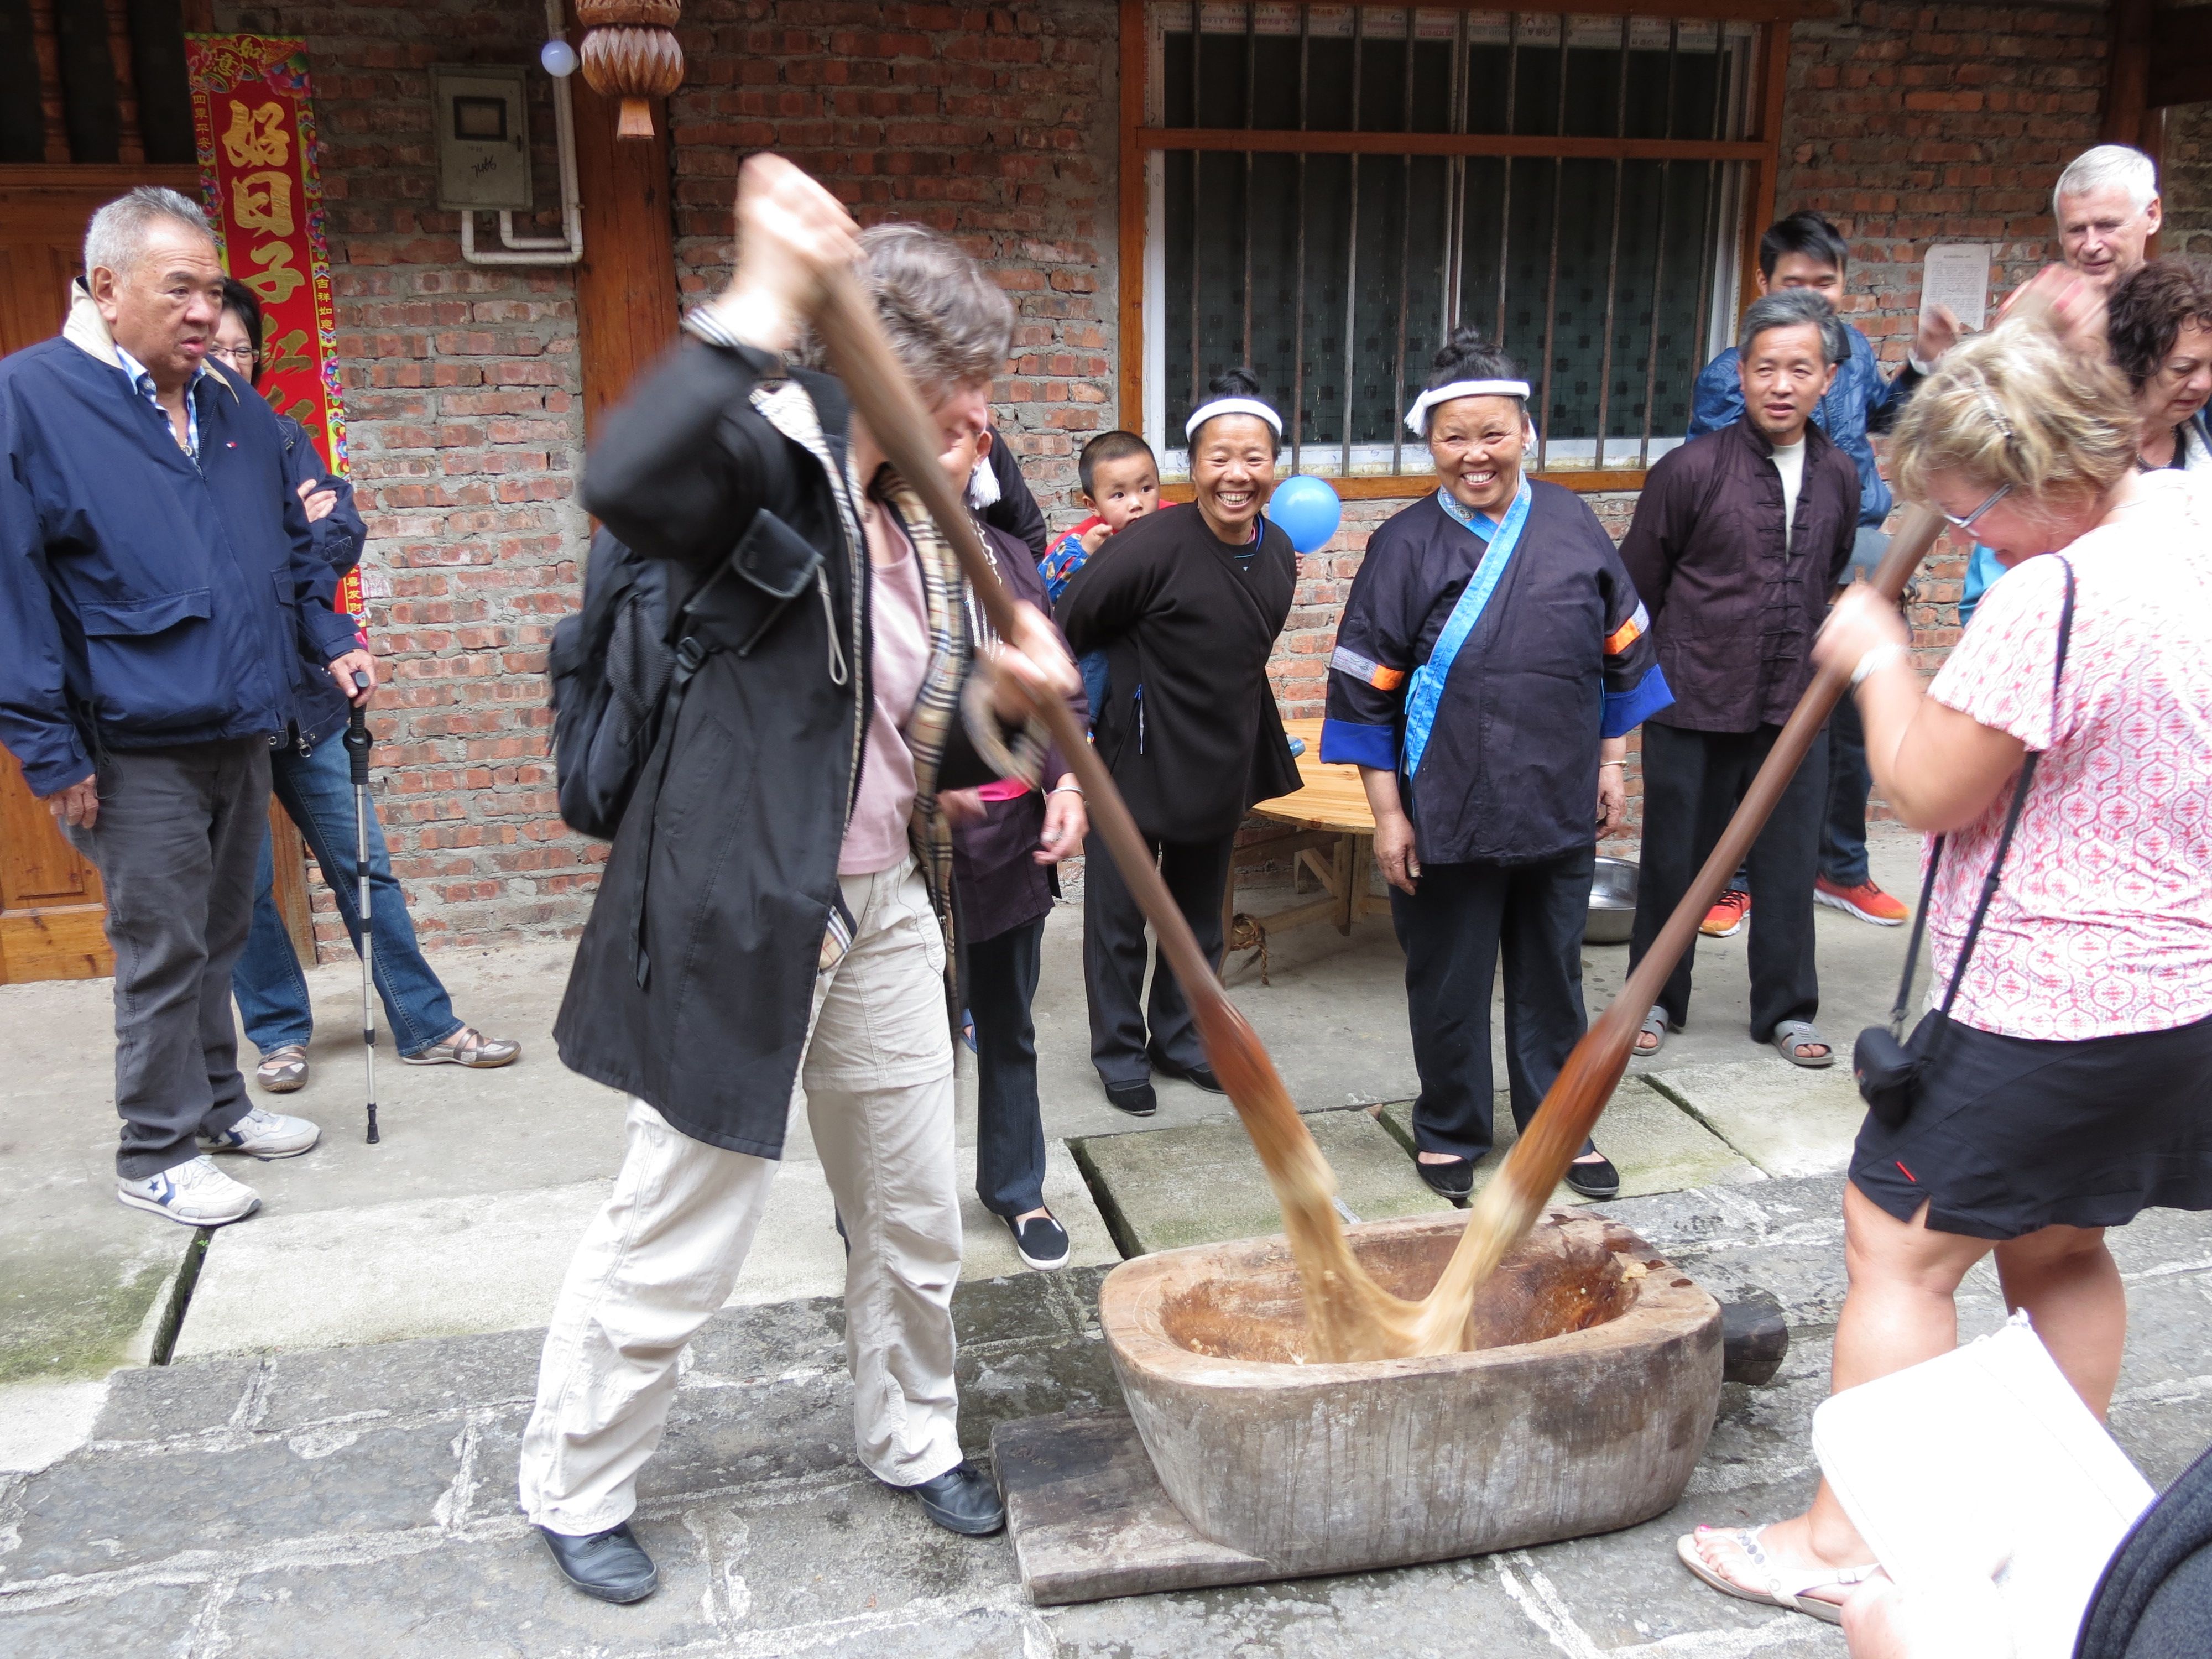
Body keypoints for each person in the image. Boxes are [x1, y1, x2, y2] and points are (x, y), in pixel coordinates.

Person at [518, 156, 1077, 1604]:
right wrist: (762, 296)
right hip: (744, 913)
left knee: (909, 1211)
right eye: (966, 390)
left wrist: (1015, 706)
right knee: (677, 1230)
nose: (985, 423)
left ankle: (911, 1437)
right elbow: (625, 479)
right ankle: (575, 1481)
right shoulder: (773, 458)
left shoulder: (907, 530)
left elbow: (917, 744)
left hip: (882, 904)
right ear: (887, 373)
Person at [1679, 319, 2212, 1626]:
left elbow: (1924, 786)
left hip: (2047, 993)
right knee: (2060, 1239)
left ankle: (1844, 1540)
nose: (1970, 538)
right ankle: (2043, 1505)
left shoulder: (2058, 591)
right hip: (2181, 986)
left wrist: (1875, 658)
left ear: (2040, 469)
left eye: (1974, 510)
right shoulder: (2193, 523)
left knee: (1898, 1247)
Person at [0, 187, 373, 1227]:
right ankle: (154, 1148)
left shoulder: (229, 405)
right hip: (127, 742)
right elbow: (9, 587)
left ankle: (217, 1105)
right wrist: (47, 746)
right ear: (107, 288)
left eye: (214, 289)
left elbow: (296, 546)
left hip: (237, 722)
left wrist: (328, 638)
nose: (208, 310)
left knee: (218, 931)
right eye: (183, 289)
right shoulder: (29, 400)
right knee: (164, 945)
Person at [1321, 330, 1672, 1202]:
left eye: (1493, 433)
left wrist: (1612, 762)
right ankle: (1450, 1126)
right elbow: (1364, 689)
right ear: (1429, 444)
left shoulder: (1571, 520)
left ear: (1527, 432)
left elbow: (1619, 645)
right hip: (1446, 804)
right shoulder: (1401, 546)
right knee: (1449, 979)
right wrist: (1390, 815)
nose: (1475, 454)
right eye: (1454, 437)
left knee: (1553, 976)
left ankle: (1561, 1126)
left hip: (1556, 796)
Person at [210, 281, 521, 1089]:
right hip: (223, 712)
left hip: (306, 698)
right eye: (211, 349)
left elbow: (336, 534)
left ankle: (426, 1023)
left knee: (364, 866)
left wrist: (307, 532)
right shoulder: (165, 457)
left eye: (239, 348)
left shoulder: (281, 439)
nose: (226, 362)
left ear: (257, 358)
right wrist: (291, 533)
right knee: (240, 890)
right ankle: (279, 1035)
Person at [1688, 211, 1959, 934]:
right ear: (1762, 284)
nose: (1811, 297)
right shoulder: (1731, 375)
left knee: (1855, 723)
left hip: (1861, 559)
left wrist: (1927, 368)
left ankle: (1839, 869)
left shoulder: (1854, 354)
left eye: (1824, 283)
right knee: (1764, 724)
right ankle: (1734, 876)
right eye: (1793, 283)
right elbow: (1714, 480)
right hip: (1776, 568)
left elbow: (1894, 416)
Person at [1621, 289, 1859, 1068]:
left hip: (1794, 704)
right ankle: (1653, 997)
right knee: (1674, 860)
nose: (1781, 385)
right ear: (1743, 374)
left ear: (1827, 377)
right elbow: (1637, 590)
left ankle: (1787, 1010)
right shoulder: (1688, 472)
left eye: (1800, 368)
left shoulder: (1839, 476)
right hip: (1692, 699)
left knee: (1791, 861)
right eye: (1766, 368)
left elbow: (1825, 576)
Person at [1056, 369, 1302, 1118]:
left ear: (1274, 467)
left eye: (1254, 458)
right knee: (1119, 918)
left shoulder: (1279, 550)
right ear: (1193, 467)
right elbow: (1071, 624)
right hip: (1134, 754)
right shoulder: (1150, 545)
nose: (1237, 475)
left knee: (1199, 919)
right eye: (1219, 457)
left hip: (1220, 752)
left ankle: (1182, 1037)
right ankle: (1119, 1051)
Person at [939, 425, 1090, 1272]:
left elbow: (1057, 690)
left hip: (1009, 838)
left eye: (973, 429)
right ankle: (886, 1205)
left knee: (1008, 1023)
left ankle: (1016, 1184)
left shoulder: (1009, 553)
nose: (962, 440)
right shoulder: (866, 560)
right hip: (907, 844)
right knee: (903, 1043)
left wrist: (1066, 785)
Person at [1960, 144, 2165, 623]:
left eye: (2108, 225)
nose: (2091, 244)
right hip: (2045, 594)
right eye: (2076, 229)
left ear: (2151, 214)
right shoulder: (2036, 327)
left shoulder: (2187, 332)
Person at [1040, 430, 1161, 724]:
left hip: (1159, 635)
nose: (1136, 503)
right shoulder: (1082, 540)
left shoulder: (1173, 524)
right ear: (1093, 505)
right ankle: (1080, 734)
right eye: (1119, 495)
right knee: (1093, 659)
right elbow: (1042, 587)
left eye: (1146, 488)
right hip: (1105, 639)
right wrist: (1083, 553)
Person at [2106, 257, 2212, 473]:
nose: (2205, 384)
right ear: (2135, 359)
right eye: (2183, 369)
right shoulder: (2073, 453)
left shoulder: (2204, 441)